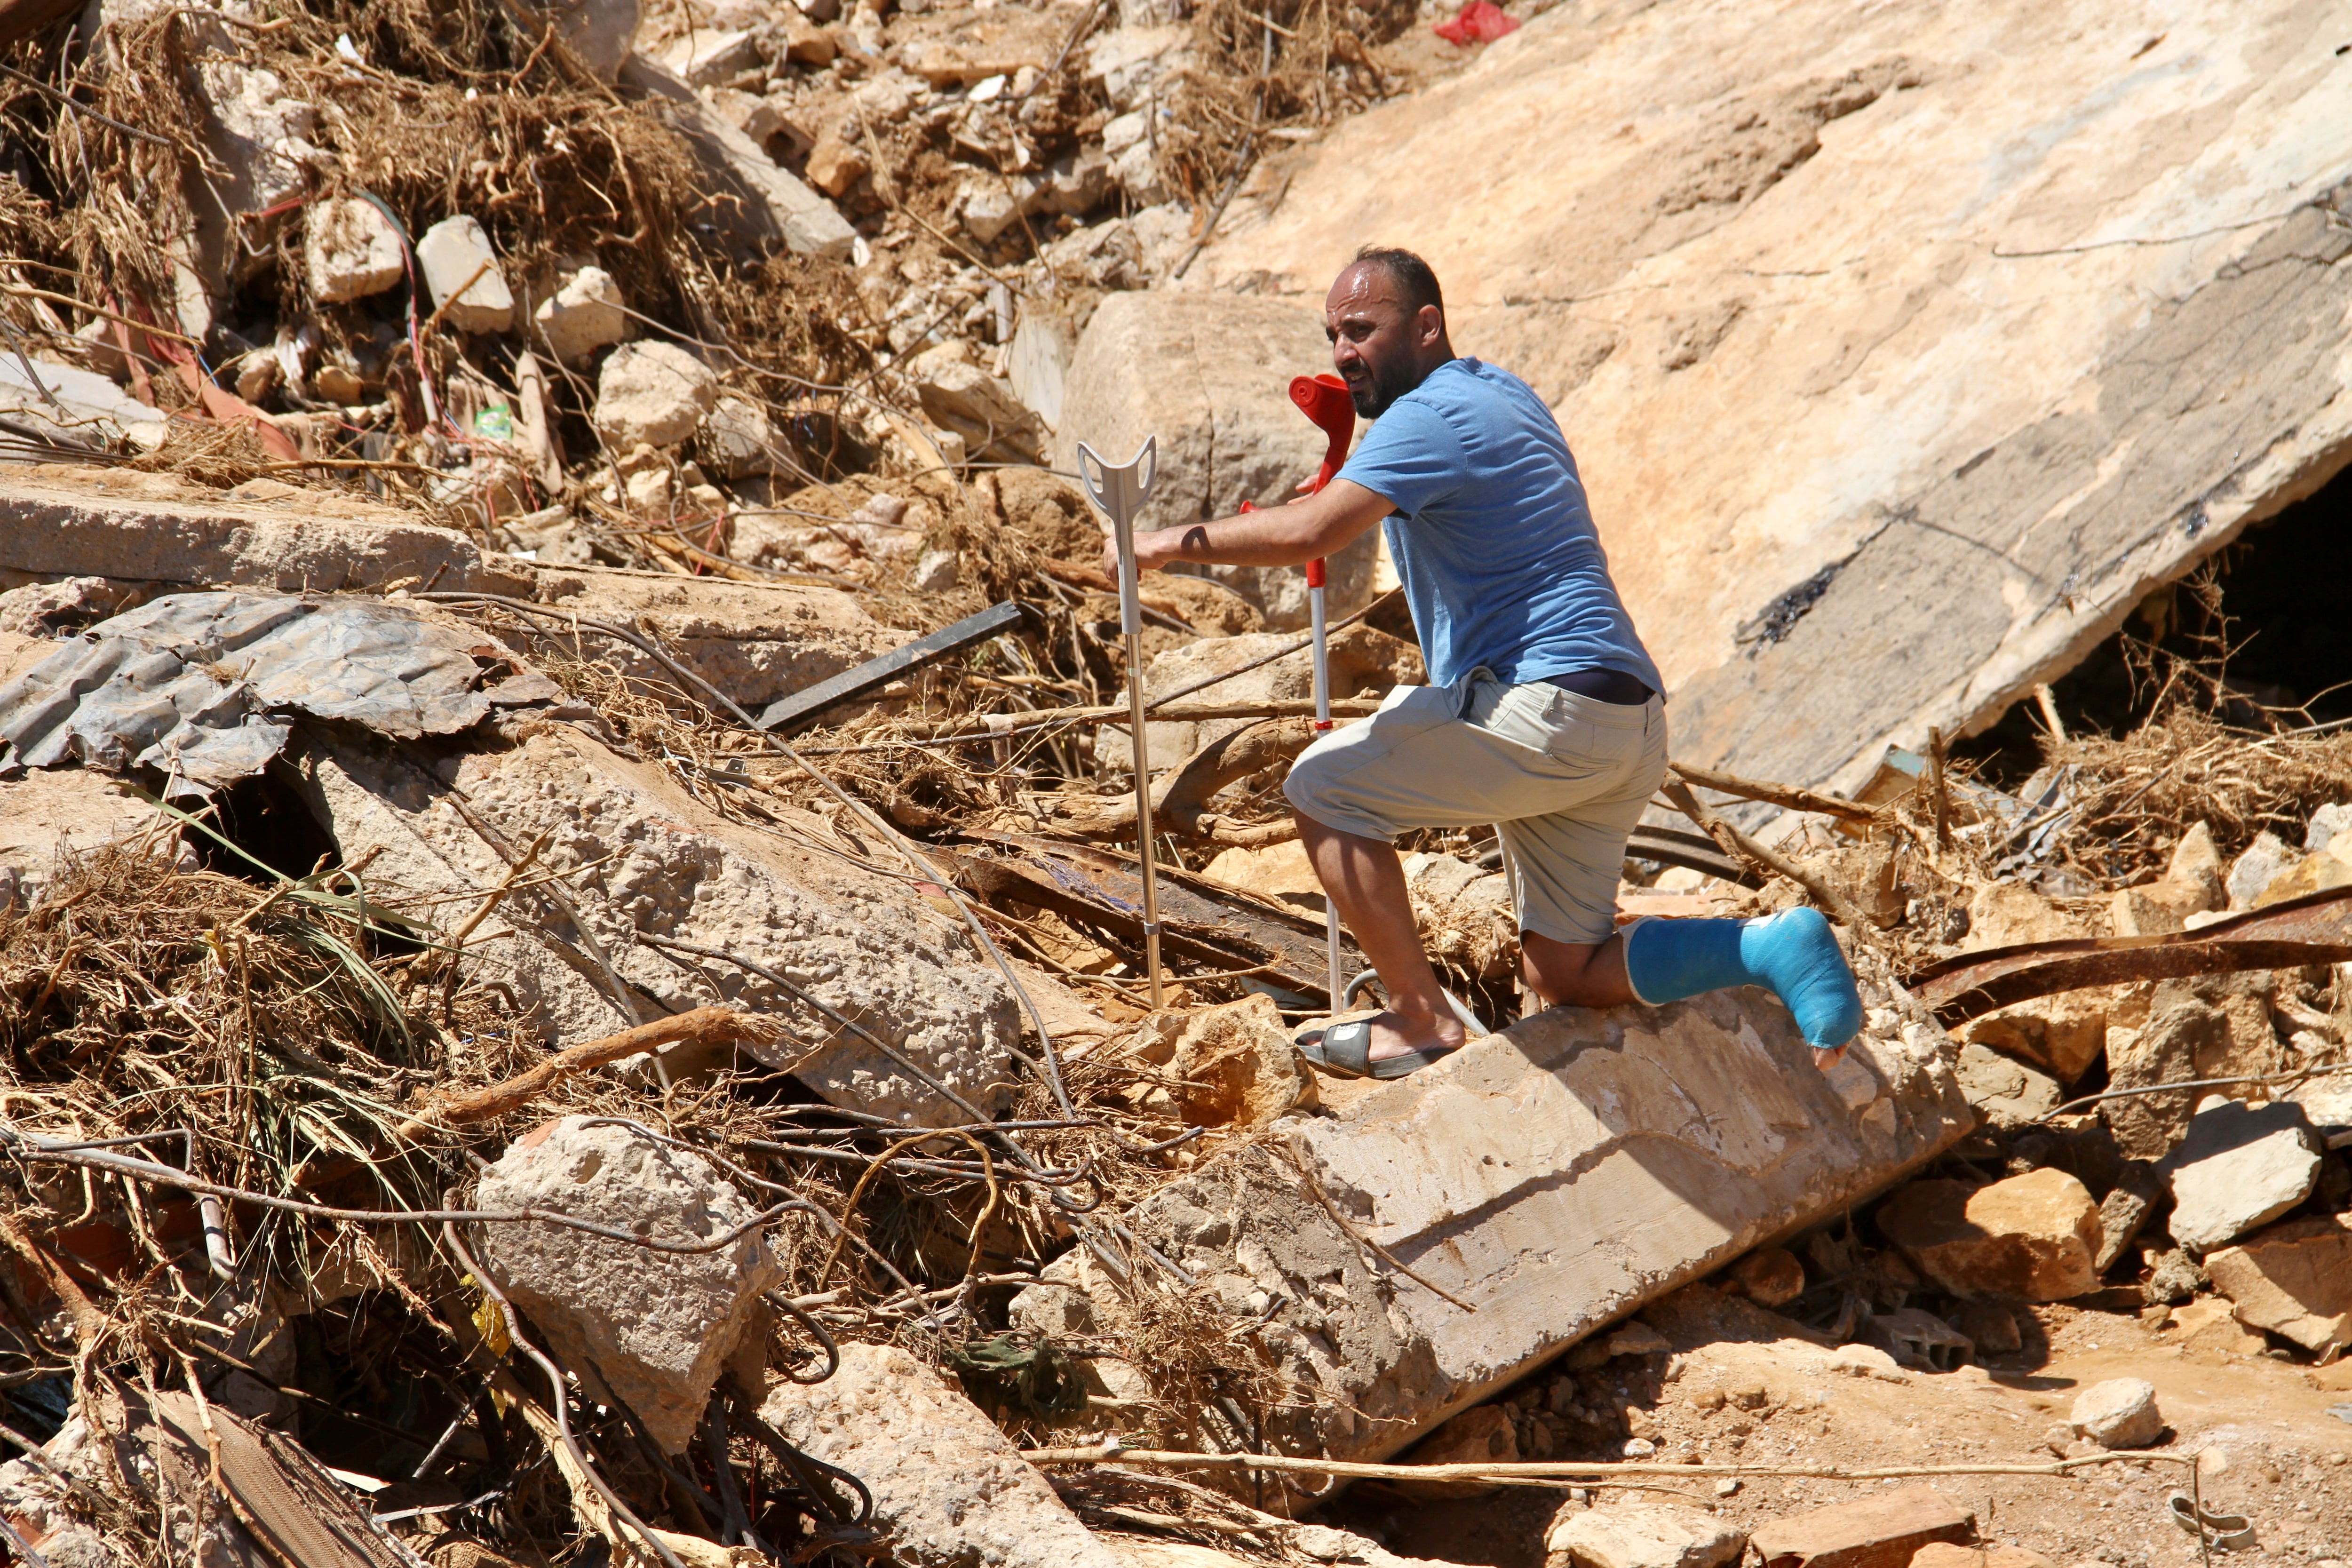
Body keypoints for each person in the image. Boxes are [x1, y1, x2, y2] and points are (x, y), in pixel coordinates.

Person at [1104, 245, 1862, 1078]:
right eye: (1331, 334)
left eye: (1362, 329)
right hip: (1625, 720)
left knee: (1323, 789)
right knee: (1563, 971)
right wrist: (1335, 496)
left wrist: (1160, 544)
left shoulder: (1425, 419)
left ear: (1426, 325)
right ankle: (1772, 948)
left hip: (1546, 708)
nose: (1341, 352)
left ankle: (1421, 1018)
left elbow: (1311, 534)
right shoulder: (1502, 392)